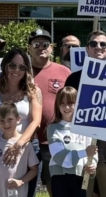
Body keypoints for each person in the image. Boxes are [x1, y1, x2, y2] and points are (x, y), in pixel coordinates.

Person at [64, 31, 106, 197]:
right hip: (82, 151)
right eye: (93, 44)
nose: (98, 47)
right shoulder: (73, 79)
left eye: (103, 44)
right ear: (87, 49)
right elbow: (66, 114)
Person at [0, 48, 43, 197]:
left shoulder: (33, 91)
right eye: (13, 65)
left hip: (27, 148)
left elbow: (36, 122)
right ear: (5, 66)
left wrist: (18, 145)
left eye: (22, 67)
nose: (17, 70)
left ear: (27, 70)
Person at [28, 29, 71, 197]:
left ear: (52, 47)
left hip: (55, 140)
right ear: (29, 48)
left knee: (56, 186)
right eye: (36, 44)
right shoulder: (22, 72)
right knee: (25, 186)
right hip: (27, 140)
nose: (41, 48)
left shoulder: (64, 72)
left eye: (45, 44)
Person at [46, 87, 98, 197]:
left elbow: (93, 151)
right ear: (57, 105)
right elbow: (59, 156)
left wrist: (92, 165)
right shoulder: (53, 128)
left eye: (70, 103)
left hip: (81, 176)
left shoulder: (86, 128)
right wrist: (84, 152)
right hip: (60, 177)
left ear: (78, 104)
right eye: (62, 103)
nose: (66, 107)